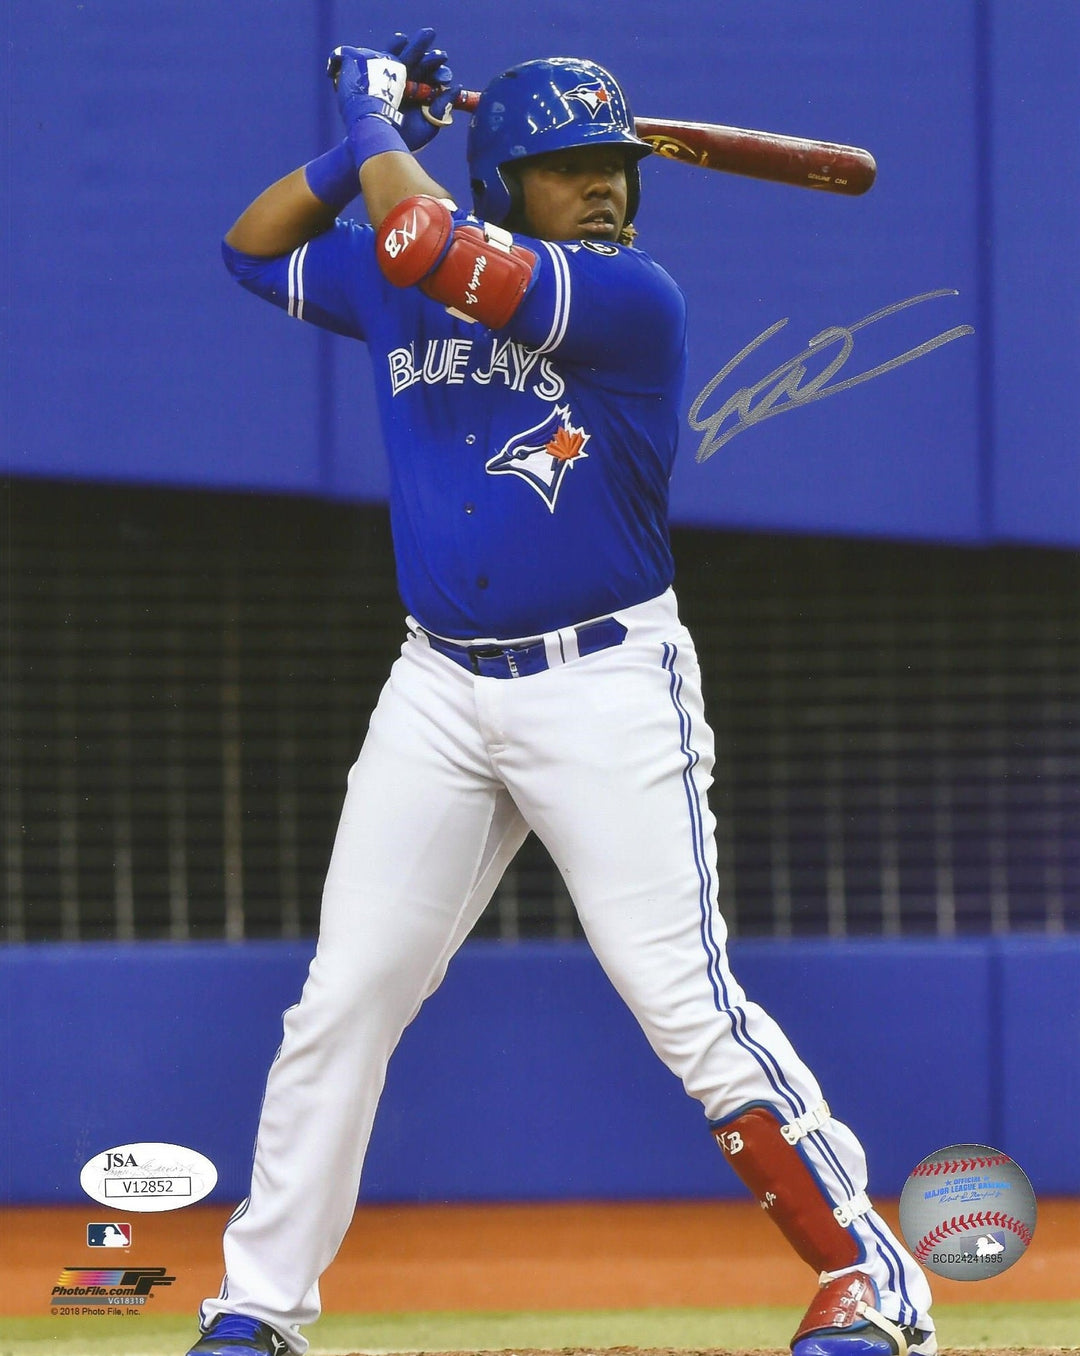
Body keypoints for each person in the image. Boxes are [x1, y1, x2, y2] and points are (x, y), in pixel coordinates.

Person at [187, 29, 935, 1356]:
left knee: (682, 1000)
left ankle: (869, 1284)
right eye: (564, 165)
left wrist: (374, 125)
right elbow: (248, 249)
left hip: (604, 686)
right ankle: (257, 1309)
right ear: (496, 174)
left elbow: (425, 247)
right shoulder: (400, 257)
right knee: (346, 995)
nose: (604, 185)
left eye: (614, 164)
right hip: (438, 687)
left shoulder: (627, 294)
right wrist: (350, 145)